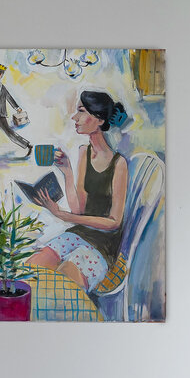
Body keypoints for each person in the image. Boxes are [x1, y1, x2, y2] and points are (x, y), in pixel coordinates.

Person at [27, 90, 128, 292]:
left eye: (81, 111)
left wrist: (64, 216)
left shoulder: (119, 164)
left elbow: (114, 222)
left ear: (99, 120)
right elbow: (79, 210)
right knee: (29, 272)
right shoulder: (84, 152)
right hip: (78, 234)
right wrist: (67, 171)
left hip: (102, 246)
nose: (75, 117)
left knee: (62, 288)